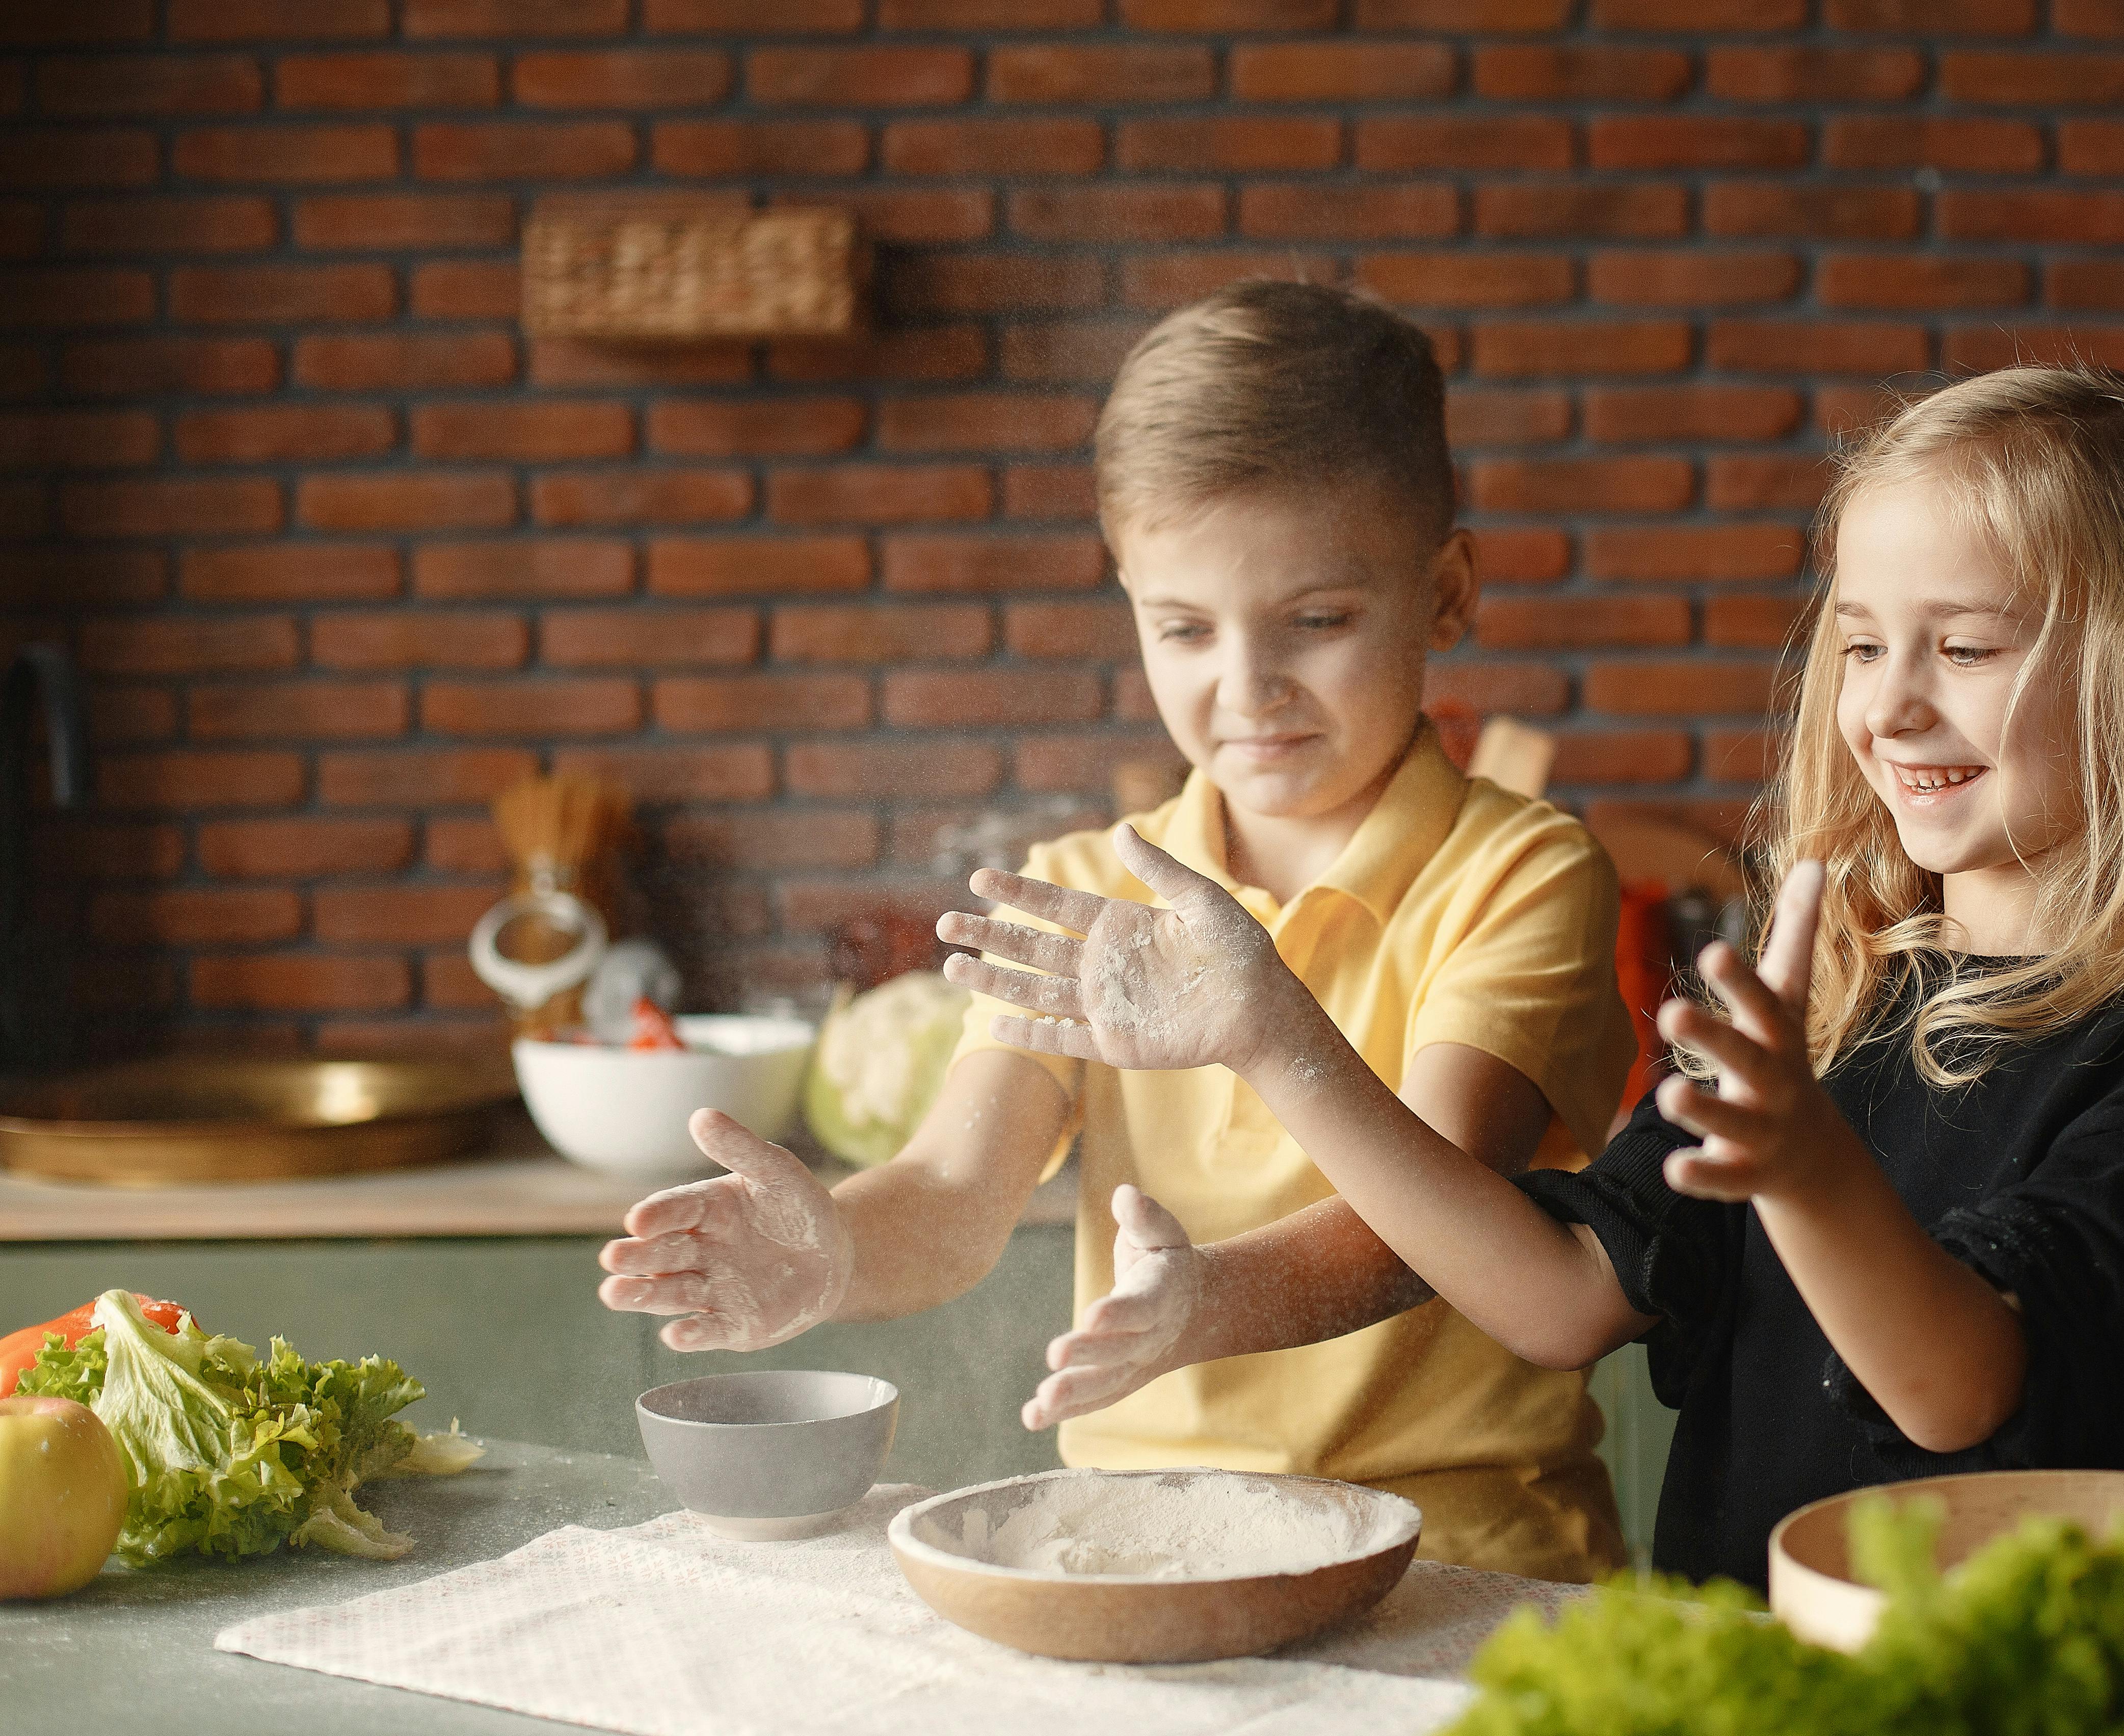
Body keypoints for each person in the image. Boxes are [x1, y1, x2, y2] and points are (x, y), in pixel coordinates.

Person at [949, 365, 2124, 1592]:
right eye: (1861, 642)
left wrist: (1800, 1163)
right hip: (1747, 1696)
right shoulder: (1826, 1009)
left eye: (1966, 647)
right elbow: (1556, 1297)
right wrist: (1273, 1037)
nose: (1890, 702)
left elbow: (1958, 1391)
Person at [597, 280, 1637, 1582]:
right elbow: (955, 1197)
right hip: (1154, 1546)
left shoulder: (1521, 872)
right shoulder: (1081, 892)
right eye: (1186, 628)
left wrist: (1210, 1293)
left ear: (1446, 592)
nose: (1246, 688)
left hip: (1464, 1553)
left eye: (1318, 621)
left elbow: (1416, 1234)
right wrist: (839, 1251)